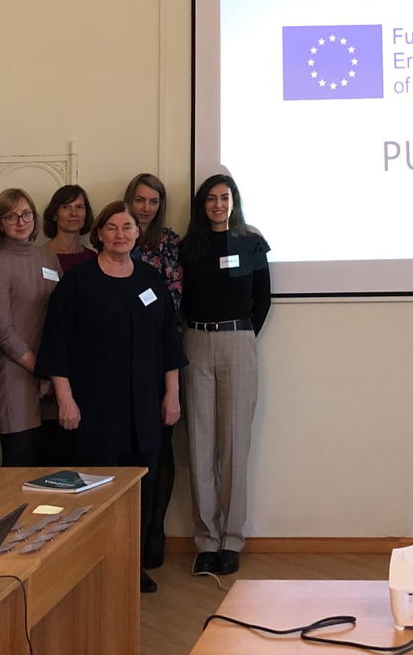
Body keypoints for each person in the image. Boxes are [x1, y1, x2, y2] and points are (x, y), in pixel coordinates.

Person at [37, 201, 185, 593]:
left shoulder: (151, 280)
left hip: (145, 406)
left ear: (137, 233)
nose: (121, 234)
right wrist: (65, 399)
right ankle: (95, 566)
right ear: (99, 233)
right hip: (94, 405)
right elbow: (57, 343)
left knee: (142, 488)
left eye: (128, 227)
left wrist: (172, 395)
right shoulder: (78, 281)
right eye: (113, 227)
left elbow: (169, 343)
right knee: (97, 488)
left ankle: (131, 565)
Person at [180, 173, 270, 578]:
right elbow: (182, 300)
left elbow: (262, 299)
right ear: (202, 205)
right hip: (196, 343)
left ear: (234, 202)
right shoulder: (189, 247)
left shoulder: (251, 242)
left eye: (225, 197)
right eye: (211, 198)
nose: (218, 205)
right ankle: (206, 541)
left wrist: (240, 335)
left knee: (234, 444)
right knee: (200, 444)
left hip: (238, 341)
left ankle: (232, 540)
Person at [124, 171, 182, 576]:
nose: (146, 208)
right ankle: (128, 535)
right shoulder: (115, 234)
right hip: (120, 361)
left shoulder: (169, 242)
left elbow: (173, 300)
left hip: (161, 355)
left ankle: (155, 531)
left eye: (153, 201)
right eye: (140, 200)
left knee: (162, 446)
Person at [0, 187, 64, 468]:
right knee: (20, 468)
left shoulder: (48, 258)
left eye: (26, 214)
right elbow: (2, 331)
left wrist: (54, 372)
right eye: (11, 216)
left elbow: (62, 314)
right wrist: (42, 368)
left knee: (52, 467)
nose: (21, 222)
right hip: (16, 376)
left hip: (53, 378)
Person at [41, 184, 94, 274]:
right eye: (65, 207)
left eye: (79, 207)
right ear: (54, 215)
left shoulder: (92, 258)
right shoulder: (40, 257)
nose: (74, 213)